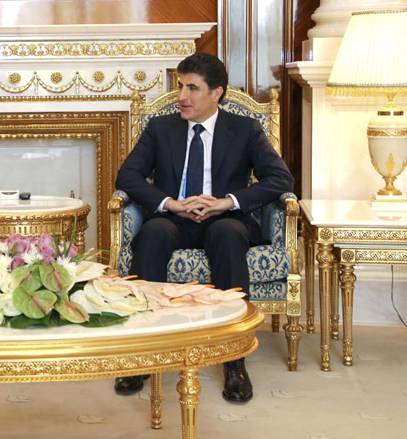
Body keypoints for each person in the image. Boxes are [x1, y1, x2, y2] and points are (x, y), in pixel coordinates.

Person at [114, 53, 294, 402]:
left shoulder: (243, 129)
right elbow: (128, 175)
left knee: (227, 234)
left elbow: (280, 178)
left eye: (192, 88)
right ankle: (140, 354)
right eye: (180, 86)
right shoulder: (161, 128)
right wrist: (170, 203)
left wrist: (227, 201)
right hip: (174, 217)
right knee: (151, 233)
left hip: (224, 218)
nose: (182, 95)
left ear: (217, 93)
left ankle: (234, 360)